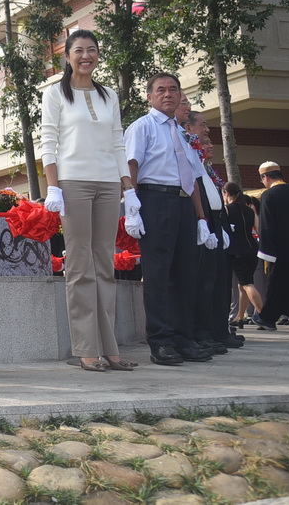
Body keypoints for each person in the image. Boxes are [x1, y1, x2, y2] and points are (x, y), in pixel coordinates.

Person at [39, 30, 137, 372]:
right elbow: (48, 142)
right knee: (80, 265)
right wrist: (53, 187)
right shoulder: (55, 94)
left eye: (91, 50)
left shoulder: (109, 95)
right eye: (78, 50)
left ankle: (111, 348)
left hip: (108, 183)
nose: (86, 56)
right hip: (73, 183)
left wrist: (128, 188)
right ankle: (86, 348)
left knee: (105, 264)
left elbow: (118, 143)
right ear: (67, 56)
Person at [123, 73, 214, 366]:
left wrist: (201, 218)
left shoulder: (184, 134)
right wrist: (131, 205)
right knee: (159, 275)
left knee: (186, 274)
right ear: (149, 96)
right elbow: (131, 166)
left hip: (183, 203)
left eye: (173, 89)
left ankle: (183, 338)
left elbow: (195, 178)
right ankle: (160, 341)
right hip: (155, 200)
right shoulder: (142, 127)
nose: (168, 94)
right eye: (161, 90)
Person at [183, 110, 238, 352]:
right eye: (203, 127)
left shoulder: (207, 167)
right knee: (204, 283)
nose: (207, 133)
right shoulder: (191, 158)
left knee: (217, 282)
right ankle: (204, 333)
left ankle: (218, 331)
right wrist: (202, 220)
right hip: (203, 222)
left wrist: (221, 225)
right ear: (190, 130)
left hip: (215, 222)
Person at [254, 161, 289, 330]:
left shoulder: (269, 195)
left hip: (278, 248)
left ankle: (267, 317)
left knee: (276, 285)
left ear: (265, 177)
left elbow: (266, 225)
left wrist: (266, 251)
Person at [223, 182, 263, 325]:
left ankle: (264, 315)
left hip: (237, 250)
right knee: (243, 284)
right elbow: (258, 229)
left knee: (247, 284)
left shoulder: (227, 210)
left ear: (226, 193)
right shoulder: (250, 210)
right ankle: (240, 317)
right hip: (252, 248)